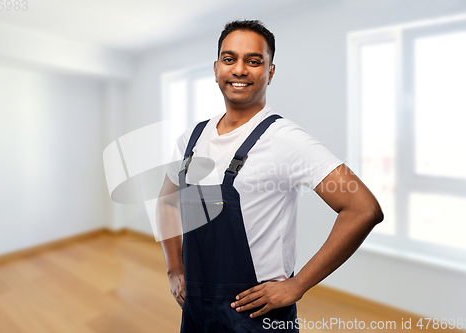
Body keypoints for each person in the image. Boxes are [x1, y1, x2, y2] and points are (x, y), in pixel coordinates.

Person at [156, 19, 384, 333]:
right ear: (216, 68)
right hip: (196, 307)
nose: (239, 70)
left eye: (253, 61)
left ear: (270, 72)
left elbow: (363, 209)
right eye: (229, 59)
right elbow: (168, 201)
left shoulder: (284, 139)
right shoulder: (192, 138)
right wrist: (174, 267)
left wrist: (298, 285)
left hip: (256, 315)